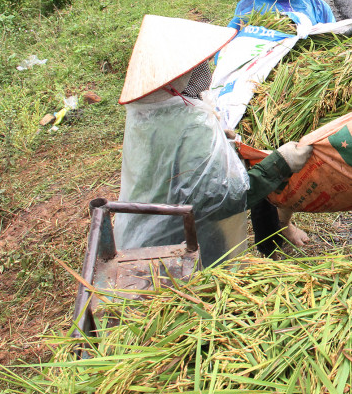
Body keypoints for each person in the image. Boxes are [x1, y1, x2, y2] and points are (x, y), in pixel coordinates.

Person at [114, 15, 311, 268]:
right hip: (176, 251)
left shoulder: (148, 113)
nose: (206, 72)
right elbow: (223, 199)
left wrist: (222, 145)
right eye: (199, 66)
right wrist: (280, 163)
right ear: (182, 75)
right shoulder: (193, 124)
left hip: (137, 237)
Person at [229, 0, 337, 257]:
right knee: (263, 161)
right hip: (262, 99)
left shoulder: (315, 5)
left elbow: (335, 41)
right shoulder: (248, 9)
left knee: (297, 166)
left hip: (305, 96)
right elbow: (232, 52)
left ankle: (286, 222)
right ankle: (268, 245)